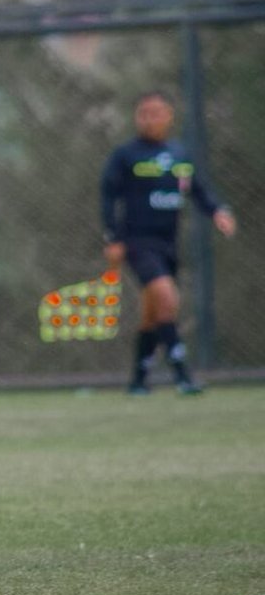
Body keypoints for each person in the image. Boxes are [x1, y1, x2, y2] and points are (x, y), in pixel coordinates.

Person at [100, 90, 236, 395]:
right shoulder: (126, 156)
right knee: (167, 298)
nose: (150, 119)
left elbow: (199, 190)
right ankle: (182, 376)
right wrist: (112, 237)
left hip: (167, 243)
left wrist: (219, 212)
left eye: (156, 112)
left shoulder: (178, 155)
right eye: (144, 113)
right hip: (137, 241)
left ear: (169, 116)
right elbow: (109, 196)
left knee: (153, 313)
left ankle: (138, 380)